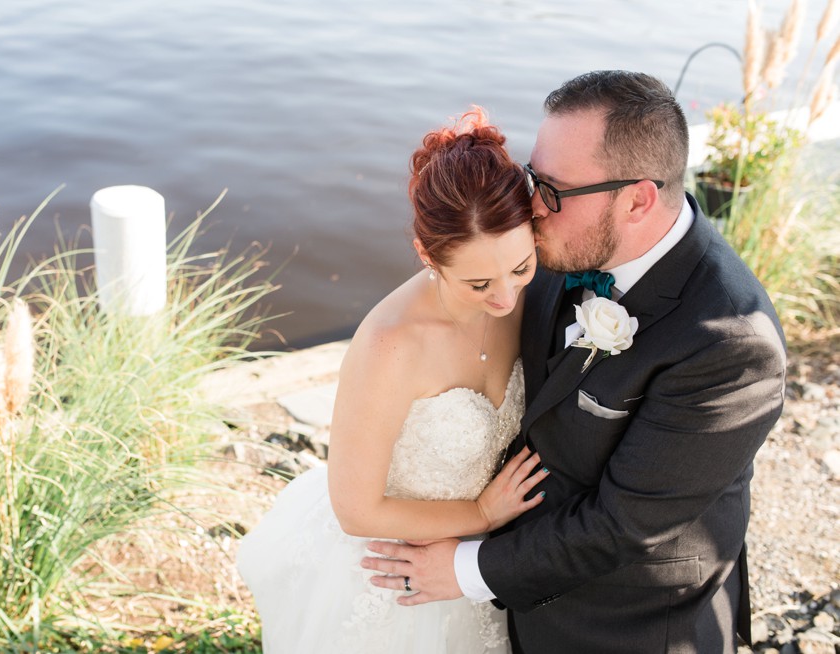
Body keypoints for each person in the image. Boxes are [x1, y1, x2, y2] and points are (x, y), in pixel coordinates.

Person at [364, 70, 787, 654]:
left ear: (637, 199)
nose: (531, 206)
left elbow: (623, 525)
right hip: (513, 581)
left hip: (623, 620)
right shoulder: (559, 241)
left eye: (552, 190)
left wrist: (464, 569)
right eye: (532, 177)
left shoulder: (733, 344)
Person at [237, 107, 550, 653]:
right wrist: (478, 514)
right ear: (427, 255)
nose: (505, 298)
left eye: (520, 268)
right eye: (478, 283)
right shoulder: (390, 345)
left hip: (483, 564)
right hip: (392, 568)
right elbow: (356, 509)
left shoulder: (530, 293)